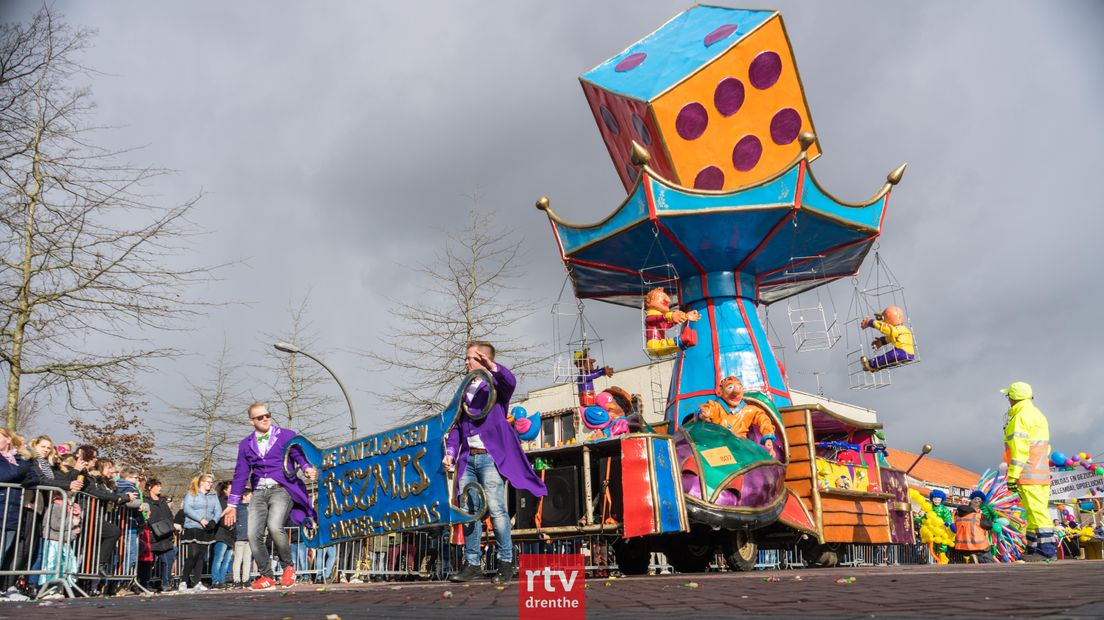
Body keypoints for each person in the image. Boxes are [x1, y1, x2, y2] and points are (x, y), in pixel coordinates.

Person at [444, 341, 546, 583]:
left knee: (497, 509)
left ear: (482, 359)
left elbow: (510, 382)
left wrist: (493, 366)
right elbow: (457, 426)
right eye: (466, 358)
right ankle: (471, 564)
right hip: (468, 460)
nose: (466, 362)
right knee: (469, 512)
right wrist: (450, 452)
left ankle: (506, 561)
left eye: (470, 357)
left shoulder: (495, 388)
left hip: (490, 458)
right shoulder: (463, 391)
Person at [221, 403, 317, 590]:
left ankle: (288, 567)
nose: (265, 419)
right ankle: (267, 576)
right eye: (259, 417)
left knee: (274, 526)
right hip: (258, 491)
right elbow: (240, 474)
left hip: (282, 488)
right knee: (253, 534)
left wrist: (307, 469)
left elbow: (298, 456)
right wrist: (232, 504)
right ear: (252, 421)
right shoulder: (245, 444)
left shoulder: (287, 435)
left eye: (267, 415)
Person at [1001, 381, 1055, 562]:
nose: (1007, 399)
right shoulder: (1038, 415)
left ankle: (1047, 550)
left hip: (1028, 473)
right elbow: (1045, 448)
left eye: (1008, 396)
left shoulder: (1020, 418)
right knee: (1033, 512)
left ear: (1013, 398)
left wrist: (1013, 476)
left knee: (1038, 513)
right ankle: (1033, 549)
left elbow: (1019, 451)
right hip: (1040, 472)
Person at [695, 376, 778, 456]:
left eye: (739, 387)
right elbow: (706, 409)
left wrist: (768, 437)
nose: (736, 393)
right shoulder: (716, 407)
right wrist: (703, 415)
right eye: (730, 388)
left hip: (741, 447)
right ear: (720, 391)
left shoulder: (748, 410)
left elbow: (763, 419)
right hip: (719, 447)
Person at [180, 473, 220, 591]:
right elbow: (187, 509)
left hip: (207, 527)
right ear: (201, 482)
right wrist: (200, 519)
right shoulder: (192, 493)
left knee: (201, 555)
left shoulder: (213, 495)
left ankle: (197, 582)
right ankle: (183, 581)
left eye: (211, 482)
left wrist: (213, 521)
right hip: (193, 526)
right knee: (193, 554)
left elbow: (218, 510)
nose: (210, 484)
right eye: (208, 482)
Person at [644, 287, 700, 357]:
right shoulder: (650, 318)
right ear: (650, 302)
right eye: (661, 296)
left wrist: (685, 316)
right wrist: (671, 315)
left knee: (683, 342)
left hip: (657, 345)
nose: (668, 300)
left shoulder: (659, 320)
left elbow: (667, 324)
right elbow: (657, 318)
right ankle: (682, 340)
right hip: (653, 345)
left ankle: (683, 342)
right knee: (677, 341)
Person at [142, 478, 176, 592]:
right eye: (157, 486)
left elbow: (169, 516)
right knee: (148, 562)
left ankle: (166, 583)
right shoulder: (146, 501)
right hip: (152, 536)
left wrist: (171, 528)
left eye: (160, 486)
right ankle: (144, 583)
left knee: (168, 560)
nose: (160, 488)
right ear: (150, 487)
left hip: (165, 536)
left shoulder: (163, 501)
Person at [860, 306, 915, 371]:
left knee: (886, 357)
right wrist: (881, 342)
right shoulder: (903, 330)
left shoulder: (896, 329)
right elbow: (889, 338)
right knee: (888, 360)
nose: (883, 321)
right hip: (910, 354)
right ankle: (877, 366)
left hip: (901, 352)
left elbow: (884, 327)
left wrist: (871, 322)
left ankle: (871, 364)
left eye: (884, 319)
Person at [954, 491, 994, 563]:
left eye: (978, 499)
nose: (976, 501)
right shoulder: (979, 516)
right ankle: (975, 558)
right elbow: (988, 525)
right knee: (989, 562)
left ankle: (973, 558)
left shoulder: (958, 514)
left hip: (961, 545)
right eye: (975, 499)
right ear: (971, 500)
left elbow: (954, 527)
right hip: (978, 544)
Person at [209, 481, 235, 588]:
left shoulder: (233, 502)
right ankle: (215, 580)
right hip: (222, 533)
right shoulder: (221, 501)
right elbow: (218, 516)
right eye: (231, 489)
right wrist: (228, 526)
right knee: (219, 558)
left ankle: (222, 580)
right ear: (225, 490)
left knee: (227, 559)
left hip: (231, 534)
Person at [231, 489, 252, 588]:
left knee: (247, 560)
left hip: (249, 537)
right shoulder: (238, 508)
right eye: (250, 496)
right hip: (239, 537)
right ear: (244, 496)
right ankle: (236, 580)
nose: (251, 498)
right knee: (238, 559)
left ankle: (246, 579)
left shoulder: (252, 507)